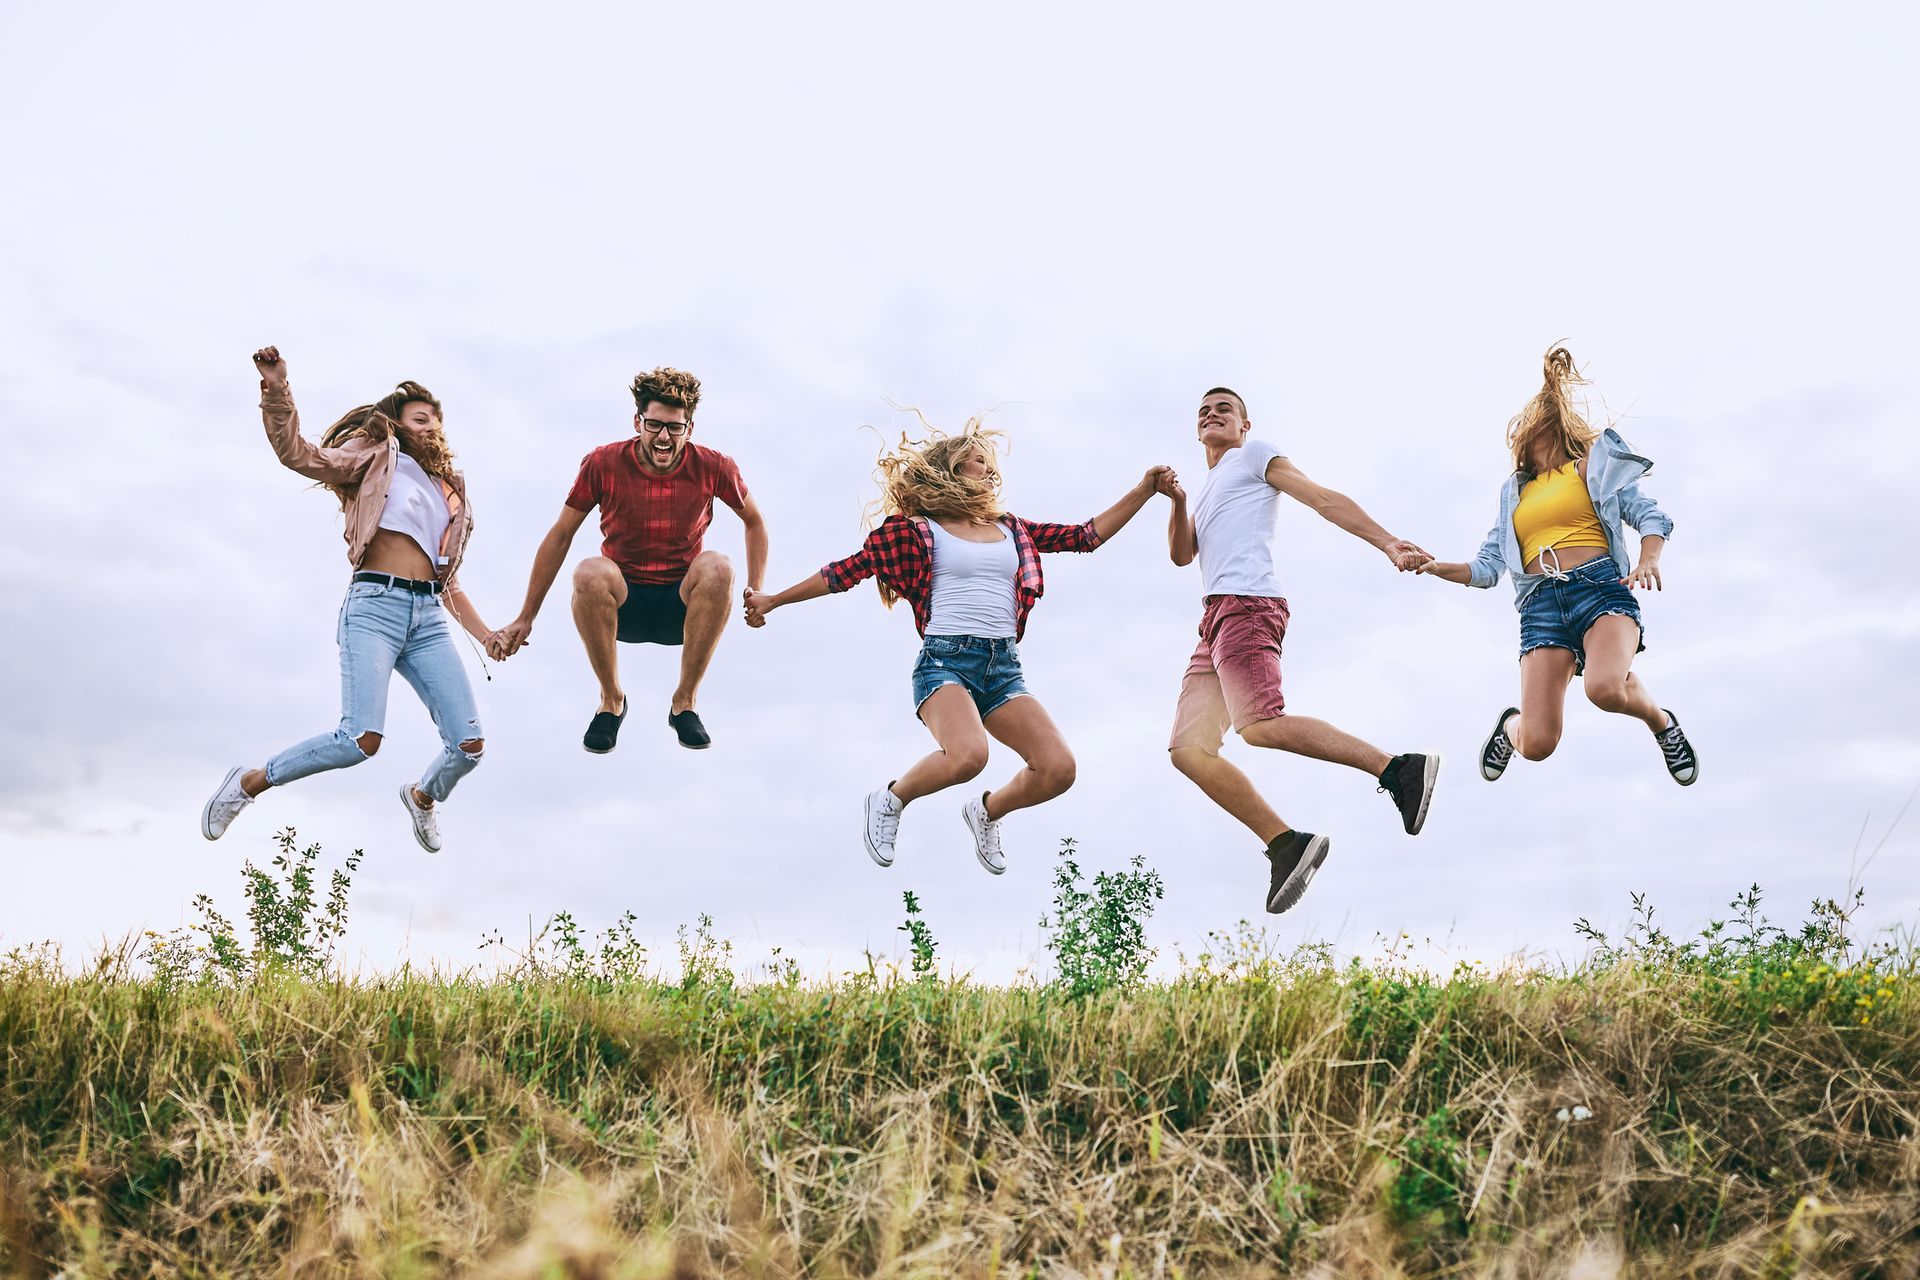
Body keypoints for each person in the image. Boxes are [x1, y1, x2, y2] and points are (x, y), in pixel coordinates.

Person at [743, 423, 1175, 873]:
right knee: (970, 755)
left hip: (1003, 668)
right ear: (950, 470)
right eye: (980, 464)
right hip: (944, 663)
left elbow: (1084, 537)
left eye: (993, 467)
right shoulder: (914, 531)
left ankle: (988, 812)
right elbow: (843, 573)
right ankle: (892, 799)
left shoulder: (1011, 528)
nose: (992, 474)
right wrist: (773, 600)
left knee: (1058, 769)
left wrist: (1144, 491)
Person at [201, 347, 502, 853]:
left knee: (469, 746)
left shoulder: (452, 491)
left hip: (427, 616)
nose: (432, 428)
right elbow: (300, 454)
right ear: (398, 424)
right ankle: (249, 783)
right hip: (374, 609)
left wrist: (488, 635)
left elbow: (449, 582)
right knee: (360, 741)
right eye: (421, 419)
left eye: (438, 422)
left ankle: (424, 797)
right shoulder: (376, 459)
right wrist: (277, 390)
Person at [1164, 387, 1439, 916]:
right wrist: (1176, 500)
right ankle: (1287, 845)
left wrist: (1387, 541)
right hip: (1214, 618)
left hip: (1248, 605)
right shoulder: (1206, 487)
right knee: (1189, 751)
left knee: (1260, 725)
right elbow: (1181, 554)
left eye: (1225, 408)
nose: (1212, 412)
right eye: (1203, 408)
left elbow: (1320, 496)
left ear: (1245, 425)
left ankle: (1397, 769)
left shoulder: (1253, 454)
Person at [1415, 347, 1698, 787]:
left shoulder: (1590, 470)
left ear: (1548, 431)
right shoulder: (1515, 495)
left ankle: (1661, 723)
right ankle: (1511, 727)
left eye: (1529, 436)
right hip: (1541, 606)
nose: (1522, 447)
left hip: (1601, 589)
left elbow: (1651, 517)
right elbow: (1489, 567)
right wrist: (1436, 566)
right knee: (1538, 743)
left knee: (1604, 688)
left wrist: (1648, 559)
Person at [490, 367, 767, 752]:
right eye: (655, 425)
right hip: (622, 605)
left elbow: (754, 521)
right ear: (638, 421)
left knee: (718, 565)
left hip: (683, 608)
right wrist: (526, 616)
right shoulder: (602, 464)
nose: (664, 437)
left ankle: (684, 703)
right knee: (589, 571)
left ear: (690, 428)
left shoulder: (715, 466)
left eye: (675, 427)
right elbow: (560, 534)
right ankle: (610, 701)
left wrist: (758, 590)